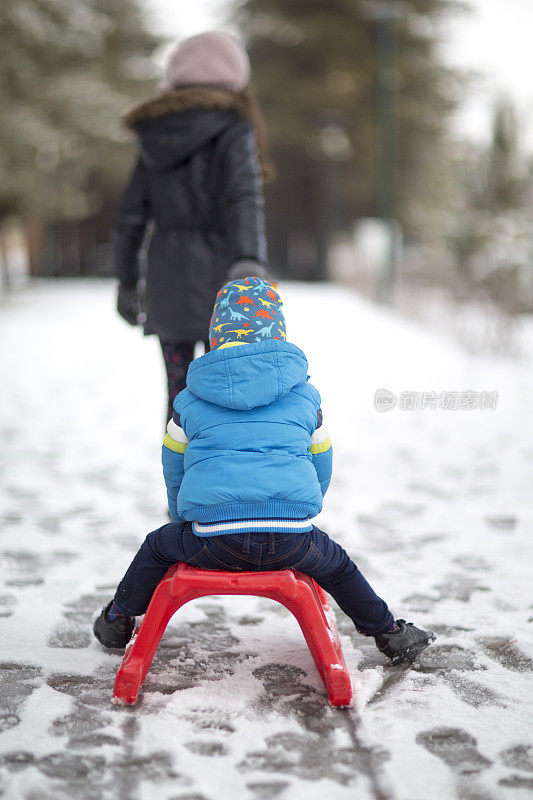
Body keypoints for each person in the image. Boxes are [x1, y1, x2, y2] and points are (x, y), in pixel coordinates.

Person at [94, 278, 436, 666]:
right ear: (277, 333)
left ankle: (117, 619)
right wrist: (299, 505)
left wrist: (181, 517)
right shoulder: (305, 396)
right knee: (339, 566)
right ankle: (389, 633)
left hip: (212, 540)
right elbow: (321, 460)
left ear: (216, 336)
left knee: (156, 546)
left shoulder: (188, 399)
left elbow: (173, 467)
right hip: (292, 538)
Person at [113, 31, 271, 421]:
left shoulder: (155, 130)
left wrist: (127, 281)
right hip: (227, 286)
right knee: (228, 401)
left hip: (168, 282)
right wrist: (249, 259)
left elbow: (131, 215)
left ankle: (178, 480)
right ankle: (217, 479)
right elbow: (243, 196)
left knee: (178, 399)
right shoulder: (235, 127)